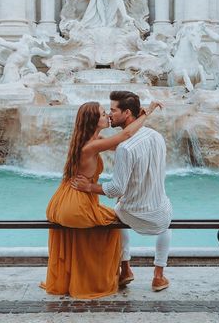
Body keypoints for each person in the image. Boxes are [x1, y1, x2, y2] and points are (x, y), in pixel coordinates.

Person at [43, 99, 163, 299]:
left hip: (66, 198)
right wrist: (146, 114)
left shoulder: (89, 140)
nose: (107, 115)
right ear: (92, 121)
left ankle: (115, 272)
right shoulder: (92, 145)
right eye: (102, 113)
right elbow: (125, 135)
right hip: (76, 204)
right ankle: (104, 276)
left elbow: (123, 144)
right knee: (114, 224)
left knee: (108, 222)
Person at [72, 90, 172, 292]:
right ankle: (158, 276)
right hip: (160, 213)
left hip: (132, 212)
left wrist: (89, 187)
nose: (109, 115)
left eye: (112, 110)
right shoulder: (157, 137)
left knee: (117, 211)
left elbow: (116, 187)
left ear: (127, 113)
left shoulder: (124, 148)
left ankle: (125, 269)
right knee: (167, 219)